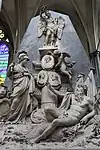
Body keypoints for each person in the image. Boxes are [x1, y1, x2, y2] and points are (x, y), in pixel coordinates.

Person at [7, 51, 37, 123]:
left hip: (25, 87)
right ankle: (11, 116)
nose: (26, 62)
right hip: (18, 86)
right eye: (25, 60)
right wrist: (9, 67)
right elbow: (9, 75)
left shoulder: (26, 69)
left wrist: (30, 76)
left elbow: (30, 76)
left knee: (25, 101)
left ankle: (21, 117)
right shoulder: (15, 67)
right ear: (21, 59)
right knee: (15, 100)